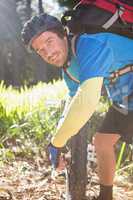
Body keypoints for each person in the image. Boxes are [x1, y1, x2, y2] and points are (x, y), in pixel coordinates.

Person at [21, 13, 133, 200]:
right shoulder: (69, 69)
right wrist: (56, 144)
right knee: (102, 142)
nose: (47, 52)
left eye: (49, 41)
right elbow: (74, 104)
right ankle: (106, 197)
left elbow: (87, 101)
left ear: (63, 34)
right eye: (40, 50)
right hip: (126, 99)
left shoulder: (90, 44)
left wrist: (58, 141)